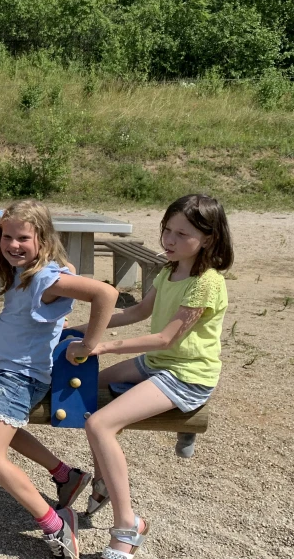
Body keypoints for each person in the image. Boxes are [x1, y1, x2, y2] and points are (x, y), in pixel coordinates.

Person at [71, 194, 233, 559]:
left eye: (182, 234)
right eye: (167, 230)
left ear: (208, 238)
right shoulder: (168, 269)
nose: (169, 241)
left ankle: (128, 528)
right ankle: (102, 483)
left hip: (187, 374)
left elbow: (165, 337)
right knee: (85, 390)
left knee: (99, 425)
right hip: (159, 363)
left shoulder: (207, 282)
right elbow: (139, 311)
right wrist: (79, 330)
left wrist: (103, 347)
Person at [0, 199, 118, 559]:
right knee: (4, 432)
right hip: (9, 372)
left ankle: (55, 523)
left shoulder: (46, 277)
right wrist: (1, 227)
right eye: (7, 236)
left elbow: (106, 293)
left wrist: (89, 343)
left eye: (23, 237)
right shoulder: (28, 263)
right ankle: (65, 475)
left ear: (42, 237)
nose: (12, 245)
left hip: (20, 376)